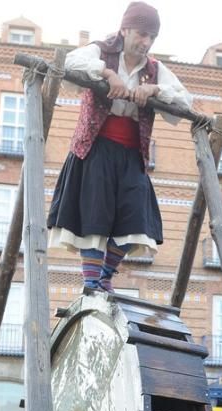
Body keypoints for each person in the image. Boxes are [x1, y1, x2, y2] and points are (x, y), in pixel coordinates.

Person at [46, 1, 193, 292]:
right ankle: (92, 282)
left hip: (132, 154)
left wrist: (155, 90)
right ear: (125, 29)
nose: (146, 42)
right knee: (93, 217)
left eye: (152, 37)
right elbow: (69, 63)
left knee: (134, 220)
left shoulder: (154, 70)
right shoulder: (101, 51)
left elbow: (185, 101)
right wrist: (107, 74)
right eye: (141, 34)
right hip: (95, 149)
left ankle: (103, 278)